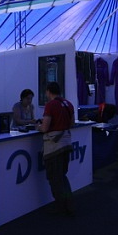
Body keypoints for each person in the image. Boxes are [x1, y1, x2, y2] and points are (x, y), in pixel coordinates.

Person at [37, 82, 76, 216]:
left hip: (54, 147)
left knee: (55, 178)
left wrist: (38, 126)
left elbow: (45, 128)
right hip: (66, 143)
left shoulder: (51, 105)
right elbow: (72, 123)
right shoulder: (68, 104)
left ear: (48, 91)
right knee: (62, 176)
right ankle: (69, 204)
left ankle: (62, 208)